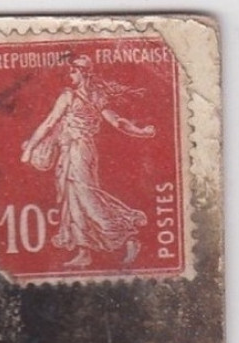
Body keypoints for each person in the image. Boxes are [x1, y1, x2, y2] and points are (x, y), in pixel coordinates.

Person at [20, 56, 156, 269]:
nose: (70, 75)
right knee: (74, 200)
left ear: (82, 73)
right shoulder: (97, 97)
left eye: (73, 72)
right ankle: (84, 252)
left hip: (77, 151)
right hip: (82, 151)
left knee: (86, 197)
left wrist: (29, 148)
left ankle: (126, 236)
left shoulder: (69, 96)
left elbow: (49, 123)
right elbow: (117, 122)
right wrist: (141, 131)